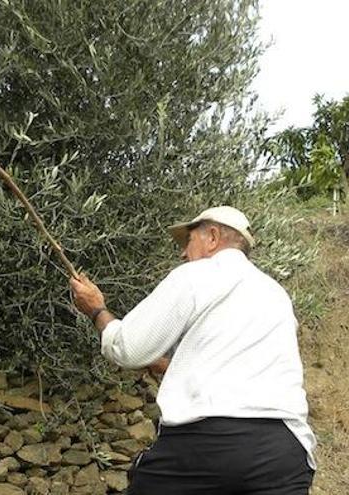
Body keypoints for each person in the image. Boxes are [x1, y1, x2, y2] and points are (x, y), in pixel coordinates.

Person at [70, 206, 316, 495]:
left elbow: (127, 348)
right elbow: (228, 367)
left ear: (212, 237)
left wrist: (96, 309)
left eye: (188, 241)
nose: (183, 254)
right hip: (286, 453)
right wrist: (164, 364)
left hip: (208, 446)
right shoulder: (275, 294)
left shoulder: (196, 275)